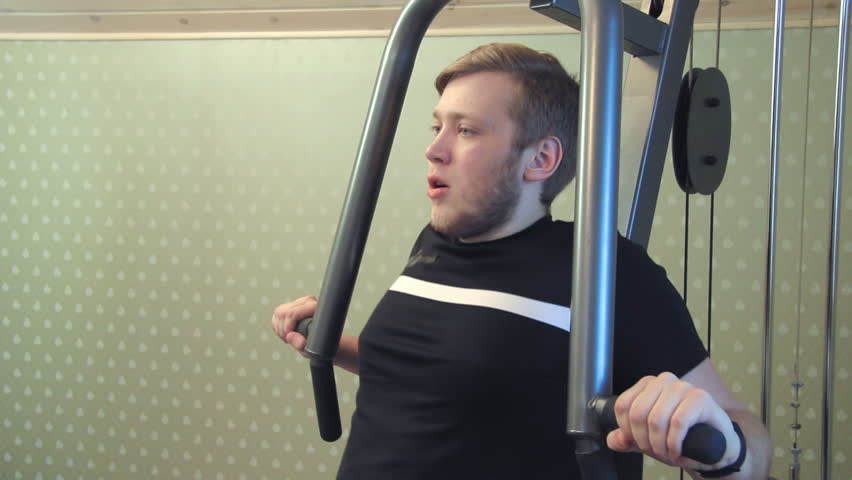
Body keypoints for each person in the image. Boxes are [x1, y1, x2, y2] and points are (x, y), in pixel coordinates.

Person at [272, 43, 771, 479]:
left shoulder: (604, 269)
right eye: (437, 125)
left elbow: (751, 441)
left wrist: (718, 441)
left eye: (465, 130)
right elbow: (455, 374)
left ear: (541, 160)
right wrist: (333, 345)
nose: (433, 149)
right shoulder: (435, 243)